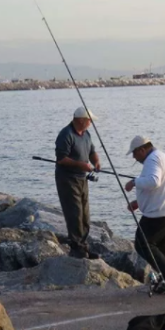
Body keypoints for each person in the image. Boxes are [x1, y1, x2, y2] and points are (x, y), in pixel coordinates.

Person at [125, 136, 165, 293]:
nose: (134, 158)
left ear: (142, 150)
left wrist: (134, 182)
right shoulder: (162, 157)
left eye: (135, 154)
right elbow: (159, 187)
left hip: (159, 213)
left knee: (142, 244)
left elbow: (154, 181)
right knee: (163, 246)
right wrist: (139, 202)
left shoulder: (152, 160)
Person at [55, 106, 102, 258]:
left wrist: (96, 162)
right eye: (89, 121)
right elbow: (61, 159)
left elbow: (92, 151)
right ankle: (76, 248)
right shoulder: (66, 134)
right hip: (67, 179)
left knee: (85, 215)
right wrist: (81, 165)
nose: (90, 123)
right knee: (74, 213)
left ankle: (84, 246)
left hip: (82, 179)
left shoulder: (86, 134)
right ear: (81, 120)